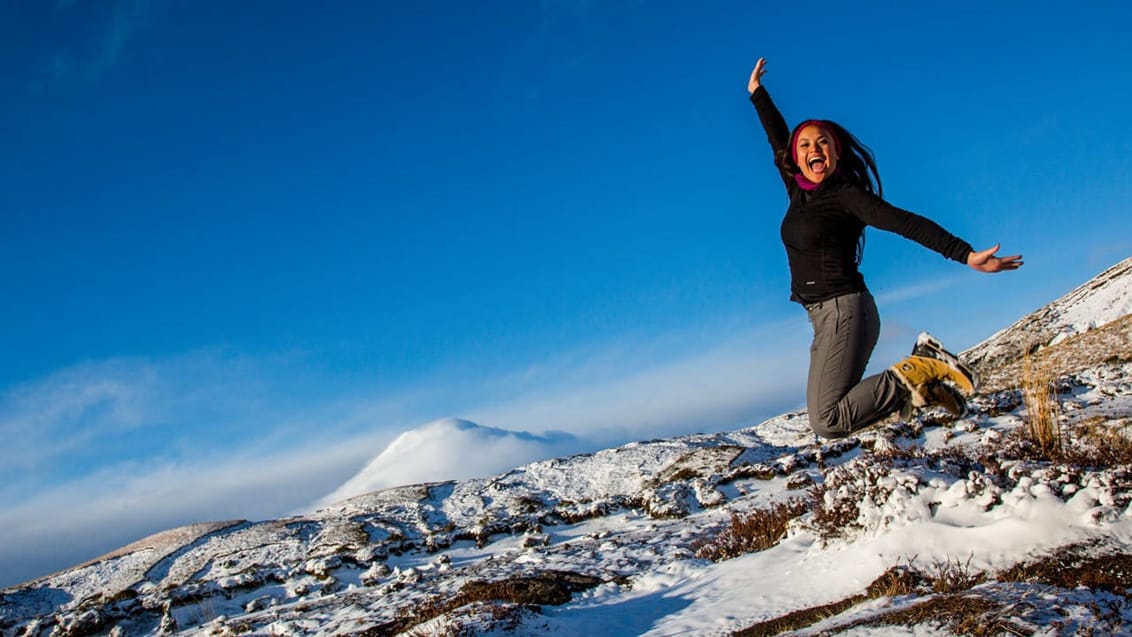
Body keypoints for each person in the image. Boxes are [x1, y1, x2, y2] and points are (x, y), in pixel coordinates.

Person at [746, 57, 1022, 439]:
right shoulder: (798, 191)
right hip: (824, 318)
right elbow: (778, 138)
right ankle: (922, 388)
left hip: (845, 311)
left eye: (822, 142)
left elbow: (903, 222)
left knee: (827, 420)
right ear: (796, 157)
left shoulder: (846, 196)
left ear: (836, 152)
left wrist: (965, 254)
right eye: (805, 145)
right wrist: (757, 94)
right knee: (832, 416)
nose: (814, 149)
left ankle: (921, 367)